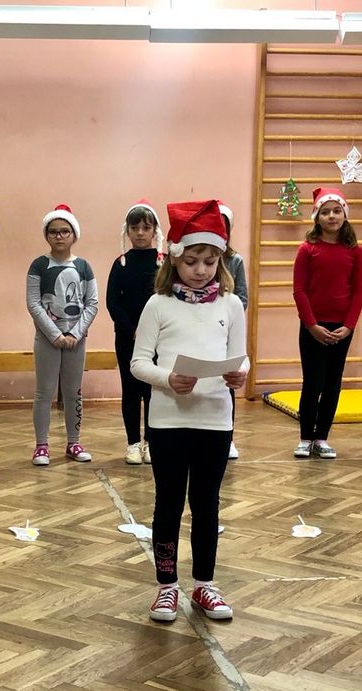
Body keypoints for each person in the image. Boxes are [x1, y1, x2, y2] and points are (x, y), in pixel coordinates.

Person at [131, 199, 247, 622]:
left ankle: (204, 585)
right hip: (168, 420)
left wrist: (240, 374)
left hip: (215, 419)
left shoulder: (231, 305)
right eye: (192, 261)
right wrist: (168, 379)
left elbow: (241, 357)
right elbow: (138, 363)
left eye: (210, 262)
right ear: (175, 259)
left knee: (206, 504)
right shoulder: (158, 305)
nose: (201, 270)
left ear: (221, 261)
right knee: (168, 503)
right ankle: (166, 587)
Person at [292, 187, 362, 460]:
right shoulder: (307, 249)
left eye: (336, 211)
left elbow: (358, 292)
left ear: (344, 215)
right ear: (317, 217)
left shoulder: (354, 251)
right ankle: (305, 437)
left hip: (342, 328)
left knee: (333, 383)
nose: (331, 216)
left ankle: (322, 437)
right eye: (325, 212)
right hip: (313, 327)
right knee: (313, 383)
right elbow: (299, 291)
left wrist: (349, 326)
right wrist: (311, 325)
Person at [26, 204, 99, 466]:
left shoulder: (83, 266)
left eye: (64, 231)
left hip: (76, 341)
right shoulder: (39, 265)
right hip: (47, 340)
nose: (59, 236)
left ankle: (73, 442)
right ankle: (41, 446)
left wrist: (76, 334)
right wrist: (55, 335)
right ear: (46, 235)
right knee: (44, 392)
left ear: (73, 235)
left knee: (73, 393)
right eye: (53, 231)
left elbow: (92, 303)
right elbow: (34, 303)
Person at [106, 199, 163, 465]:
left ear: (154, 231)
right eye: (135, 228)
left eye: (146, 228)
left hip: (159, 340)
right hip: (127, 338)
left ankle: (151, 442)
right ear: (127, 231)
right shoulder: (121, 264)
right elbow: (112, 302)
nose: (140, 233)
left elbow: (168, 299)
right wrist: (132, 331)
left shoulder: (164, 264)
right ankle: (132, 443)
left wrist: (153, 333)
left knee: (153, 391)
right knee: (130, 390)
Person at [218, 203, 248, 460]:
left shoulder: (234, 260)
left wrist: (229, 320)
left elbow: (242, 297)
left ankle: (227, 437)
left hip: (226, 331)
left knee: (228, 381)